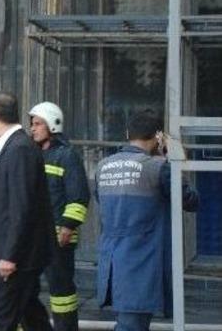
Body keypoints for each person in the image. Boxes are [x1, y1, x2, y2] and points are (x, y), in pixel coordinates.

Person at [94, 110, 200, 331]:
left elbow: (101, 203)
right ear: (158, 136)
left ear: (126, 133)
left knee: (130, 324)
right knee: (131, 327)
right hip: (141, 265)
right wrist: (176, 160)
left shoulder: (102, 167)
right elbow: (191, 201)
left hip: (112, 265)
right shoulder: (159, 168)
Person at [0, 91, 53, 331]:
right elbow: (7, 207)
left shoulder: (19, 149)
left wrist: (10, 255)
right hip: (14, 252)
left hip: (17, 259)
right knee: (31, 314)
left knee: (1, 321)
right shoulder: (16, 146)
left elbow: (22, 206)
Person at [28, 102, 90, 331]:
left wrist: (67, 226)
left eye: (37, 124)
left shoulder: (67, 156)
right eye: (32, 124)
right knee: (25, 289)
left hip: (58, 239)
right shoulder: (31, 154)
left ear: (52, 125)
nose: (32, 129)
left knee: (61, 291)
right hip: (32, 237)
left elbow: (79, 196)